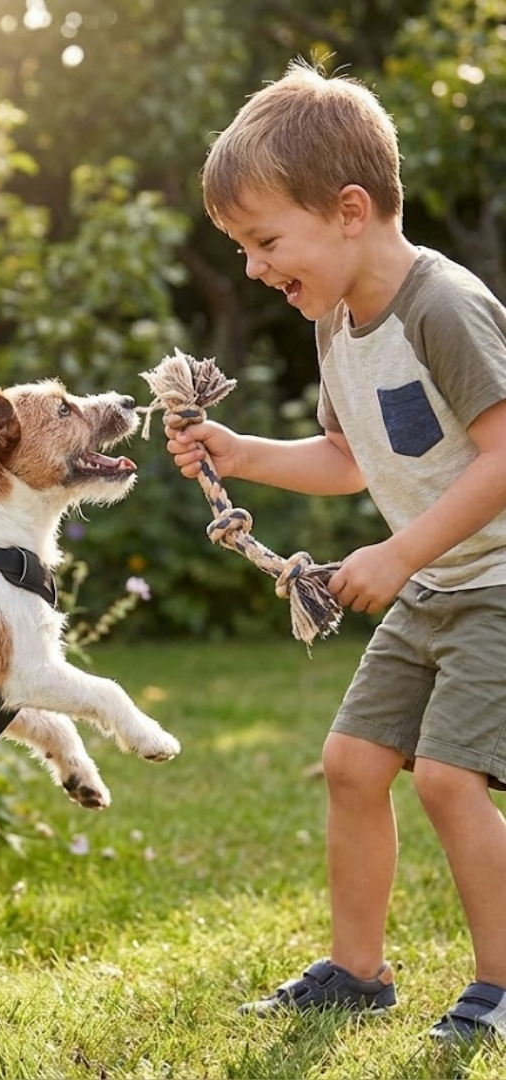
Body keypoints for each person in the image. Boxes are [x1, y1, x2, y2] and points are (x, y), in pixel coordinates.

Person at [166, 59, 506, 1043]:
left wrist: (398, 558)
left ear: (349, 210)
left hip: (494, 586)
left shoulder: (441, 307)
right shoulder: (339, 322)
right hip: (437, 582)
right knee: (354, 764)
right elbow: (351, 457)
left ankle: (499, 982)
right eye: (240, 246)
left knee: (448, 778)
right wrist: (243, 455)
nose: (254, 267)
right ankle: (358, 973)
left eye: (265, 240)